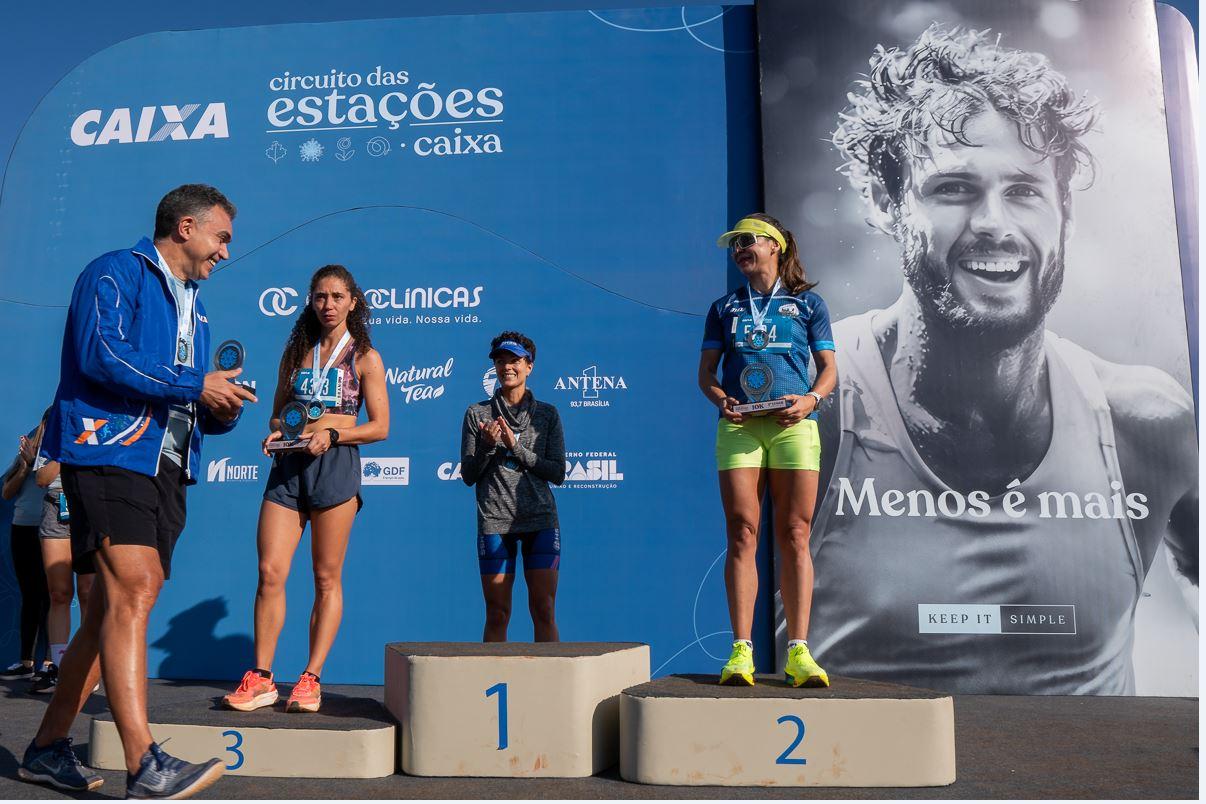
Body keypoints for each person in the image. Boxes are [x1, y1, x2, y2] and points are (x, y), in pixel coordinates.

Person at [809, 25, 1198, 694]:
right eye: (955, 189)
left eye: (1024, 191)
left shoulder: (1146, 423)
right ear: (885, 202)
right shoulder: (810, 410)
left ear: (1064, 211)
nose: (995, 223)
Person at [18, 183, 256, 798]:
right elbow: (101, 355)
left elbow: (187, 392)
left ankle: (45, 748)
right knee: (135, 586)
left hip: (168, 466)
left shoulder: (196, 306)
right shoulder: (114, 272)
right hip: (108, 448)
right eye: (221, 237)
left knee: (107, 613)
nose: (225, 253)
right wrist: (192, 383)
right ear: (185, 227)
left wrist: (220, 402)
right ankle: (143, 762)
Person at [223, 265, 388, 714]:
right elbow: (277, 415)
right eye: (320, 297)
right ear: (310, 302)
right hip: (289, 466)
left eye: (337, 296)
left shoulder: (365, 357)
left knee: (325, 577)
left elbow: (380, 426)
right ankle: (260, 677)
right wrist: (281, 431)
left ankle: (310, 678)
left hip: (334, 467)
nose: (328, 305)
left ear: (353, 301)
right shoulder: (296, 352)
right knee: (270, 572)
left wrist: (333, 434)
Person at [700, 213, 837, 687]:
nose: (739, 248)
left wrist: (810, 400)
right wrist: (723, 401)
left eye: (748, 240)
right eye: (734, 243)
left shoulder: (808, 304)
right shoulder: (723, 308)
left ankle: (799, 651)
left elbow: (829, 370)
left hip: (793, 425)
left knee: (795, 533)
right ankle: (741, 651)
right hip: (740, 429)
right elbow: (706, 376)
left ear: (775, 246)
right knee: (742, 531)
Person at [460, 332, 565, 642]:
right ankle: (490, 688)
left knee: (543, 609)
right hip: (495, 522)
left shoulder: (547, 414)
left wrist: (515, 448)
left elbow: (557, 472)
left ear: (529, 366)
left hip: (540, 521)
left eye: (515, 360)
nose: (507, 366)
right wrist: (488, 446)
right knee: (497, 613)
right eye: (500, 361)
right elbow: (468, 474)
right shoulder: (477, 413)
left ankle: (551, 688)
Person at [29, 446, 94, 695]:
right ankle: (59, 666)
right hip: (56, 508)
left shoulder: (98, 425)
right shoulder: (55, 437)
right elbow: (42, 479)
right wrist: (67, 445)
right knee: (59, 593)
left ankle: (87, 666)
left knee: (89, 593)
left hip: (89, 507)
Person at [1, 420, 51, 685]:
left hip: (54, 532)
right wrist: (25, 466)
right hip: (23, 529)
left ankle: (52, 662)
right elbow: (7, 493)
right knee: (31, 596)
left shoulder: (64, 455)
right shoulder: (25, 456)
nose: (42, 431)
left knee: (53, 597)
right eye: (42, 426)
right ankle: (26, 662)